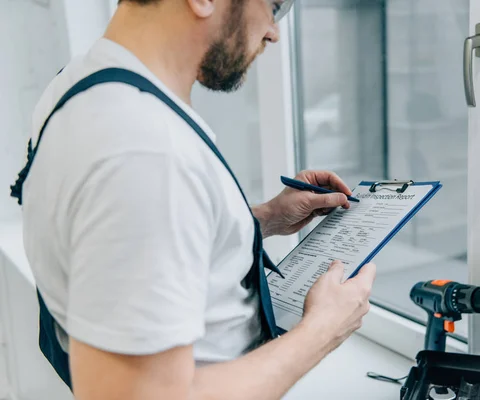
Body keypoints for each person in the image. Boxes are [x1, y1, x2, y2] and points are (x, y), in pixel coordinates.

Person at [12, 0, 377, 399]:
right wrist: (322, 330)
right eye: (274, 5)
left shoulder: (77, 84)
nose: (273, 31)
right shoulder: (147, 152)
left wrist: (264, 218)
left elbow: (130, 242)